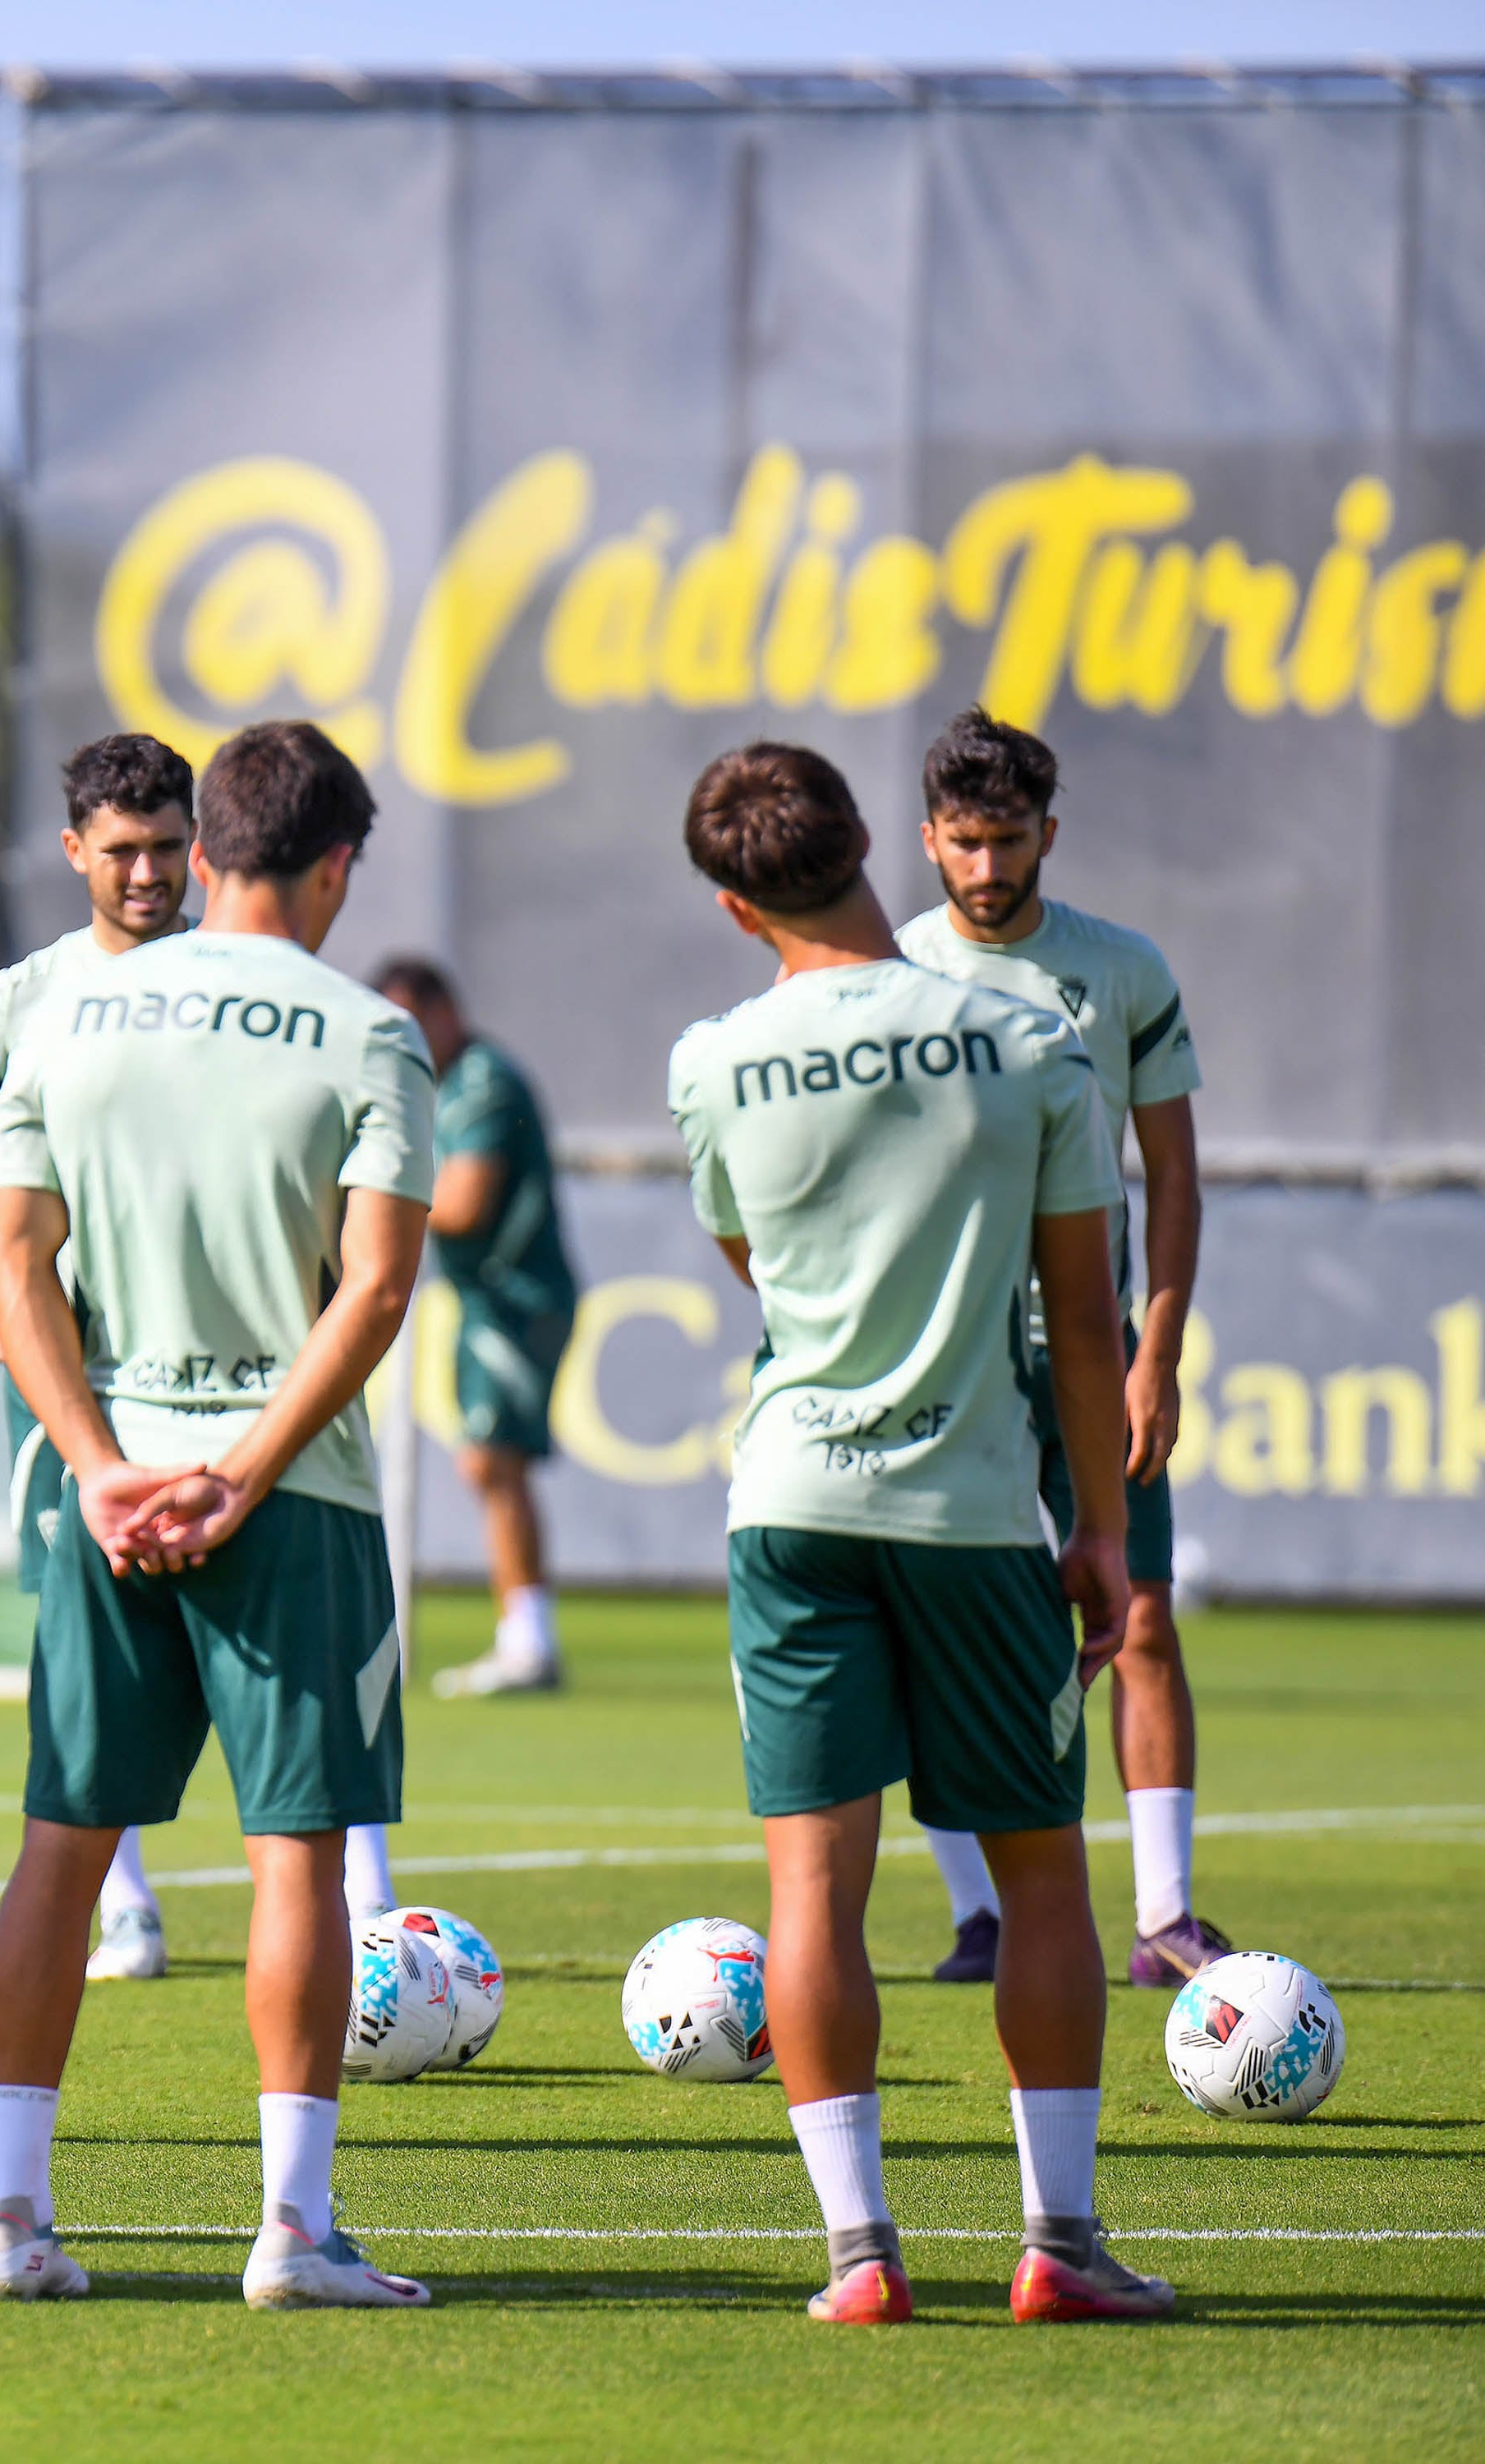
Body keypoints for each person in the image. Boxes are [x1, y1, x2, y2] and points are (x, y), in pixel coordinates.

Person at [667, 740, 1171, 2326]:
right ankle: (1058, 2251)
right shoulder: (1025, 1037)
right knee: (1039, 1879)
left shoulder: (715, 1056)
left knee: (812, 1889)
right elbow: (1083, 1321)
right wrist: (1100, 1528)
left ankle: (859, 2259)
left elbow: (757, 1260)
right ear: (877, 843)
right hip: (971, 1511)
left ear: (738, 907)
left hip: (792, 1503)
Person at [0, 719, 437, 2311]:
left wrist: (96, 1460)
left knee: (63, 1845)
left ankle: (11, 2222)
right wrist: (241, 1465)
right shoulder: (368, 1033)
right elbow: (373, 1295)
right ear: (332, 868)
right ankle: (294, 2232)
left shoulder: (71, 1009)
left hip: (109, 1492)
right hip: (289, 1495)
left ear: (204, 842)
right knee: (294, 1853)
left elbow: (15, 1255)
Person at [894, 709, 1222, 1988]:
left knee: (1140, 1619)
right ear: (930, 838)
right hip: (947, 1357)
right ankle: (979, 1912)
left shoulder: (1122, 969)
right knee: (939, 1629)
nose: (987, 868)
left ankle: (1165, 1918)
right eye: (966, 842)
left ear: (1050, 833)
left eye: (1011, 839)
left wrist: (1163, 1347)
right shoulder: (893, 973)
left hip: (1093, 1348)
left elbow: (1176, 1173)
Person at [0, 730, 195, 1983]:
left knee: (296, 1630)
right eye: (122, 851)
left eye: (170, 847)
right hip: (79, 1385)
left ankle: (369, 1914)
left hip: (231, 1362)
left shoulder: (244, 984)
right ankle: (127, 1908)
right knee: (81, 1642)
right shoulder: (27, 997)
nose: (148, 874)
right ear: (74, 852)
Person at [372, 959, 581, 1700]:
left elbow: (462, 1206)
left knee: (493, 1463)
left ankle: (529, 1640)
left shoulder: (482, 1081)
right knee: (491, 1463)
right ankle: (525, 1632)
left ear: (443, 1010)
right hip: (490, 1297)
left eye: (410, 1021)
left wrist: (375, 1182)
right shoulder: (451, 1082)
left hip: (516, 1296)